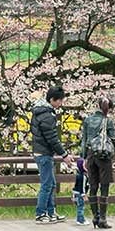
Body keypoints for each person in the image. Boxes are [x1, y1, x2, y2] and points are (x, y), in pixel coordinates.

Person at [81, 94, 115, 230]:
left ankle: (95, 217)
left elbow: (84, 140)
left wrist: (83, 157)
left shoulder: (88, 120)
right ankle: (103, 218)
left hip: (91, 155)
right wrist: (113, 153)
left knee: (93, 186)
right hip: (104, 157)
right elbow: (113, 140)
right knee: (105, 186)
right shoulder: (108, 121)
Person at [30, 84, 64, 223]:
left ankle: (51, 212)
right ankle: (41, 213)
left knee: (51, 184)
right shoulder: (47, 115)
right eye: (60, 100)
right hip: (43, 153)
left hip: (42, 152)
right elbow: (52, 138)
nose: (61, 103)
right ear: (53, 99)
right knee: (47, 185)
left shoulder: (42, 112)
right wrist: (64, 154)